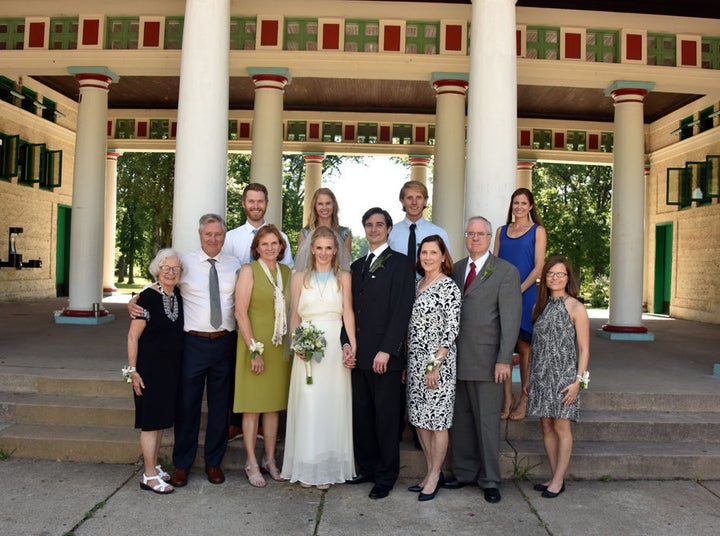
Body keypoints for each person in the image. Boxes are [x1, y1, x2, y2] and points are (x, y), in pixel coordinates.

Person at [129, 214, 241, 487]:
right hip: (193, 344)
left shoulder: (234, 265)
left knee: (218, 407)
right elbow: (162, 284)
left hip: (225, 342)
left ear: (224, 236)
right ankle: (182, 464)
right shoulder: (186, 263)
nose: (213, 239)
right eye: (208, 234)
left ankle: (214, 462)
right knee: (187, 405)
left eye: (218, 234)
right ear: (200, 235)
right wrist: (135, 298)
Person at [443, 216, 522, 504]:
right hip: (456, 359)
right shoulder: (457, 269)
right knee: (460, 420)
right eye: (470, 234)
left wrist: (504, 359)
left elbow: (510, 320)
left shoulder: (505, 271)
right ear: (465, 237)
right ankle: (463, 472)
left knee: (487, 422)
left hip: (489, 361)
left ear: (490, 237)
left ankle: (490, 479)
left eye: (481, 234)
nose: (475, 238)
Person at [344, 207, 415, 500]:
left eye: (379, 225)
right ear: (364, 229)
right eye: (369, 225)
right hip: (359, 356)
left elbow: (402, 310)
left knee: (386, 419)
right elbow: (347, 311)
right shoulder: (357, 266)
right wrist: (346, 345)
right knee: (362, 415)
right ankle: (368, 468)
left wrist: (387, 350)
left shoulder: (401, 264)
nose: (373, 229)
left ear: (388, 229)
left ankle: (386, 475)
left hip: (385, 357)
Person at [282, 226, 357, 489]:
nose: (324, 253)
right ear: (311, 249)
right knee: (309, 405)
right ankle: (306, 466)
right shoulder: (299, 277)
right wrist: (296, 344)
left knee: (331, 404)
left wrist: (352, 347)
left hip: (335, 345)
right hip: (307, 345)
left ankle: (327, 469)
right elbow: (294, 316)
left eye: (329, 248)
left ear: (336, 250)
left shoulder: (344, 277)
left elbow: (348, 312)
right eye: (319, 248)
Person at [222, 182, 293, 440]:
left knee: (266, 376)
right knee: (238, 370)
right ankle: (235, 422)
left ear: (266, 203)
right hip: (239, 313)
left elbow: (286, 277)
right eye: (250, 201)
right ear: (244, 204)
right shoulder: (231, 237)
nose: (255, 206)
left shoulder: (280, 238)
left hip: (269, 315)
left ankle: (265, 425)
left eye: (260, 201)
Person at [234, 225, 292, 488]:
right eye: (264, 244)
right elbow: (240, 313)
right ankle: (251, 462)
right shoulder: (249, 271)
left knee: (272, 407)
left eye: (275, 243)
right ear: (256, 247)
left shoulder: (287, 272)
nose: (270, 248)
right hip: (254, 347)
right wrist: (254, 349)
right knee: (253, 407)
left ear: (281, 247)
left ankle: (270, 460)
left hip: (279, 347)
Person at [527, 256, 590, 499]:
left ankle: (558, 479)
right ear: (545, 277)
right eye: (551, 273)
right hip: (542, 374)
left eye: (561, 274)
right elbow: (535, 346)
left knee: (561, 426)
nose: (555, 278)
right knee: (546, 425)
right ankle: (555, 477)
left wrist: (579, 382)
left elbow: (584, 349)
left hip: (565, 375)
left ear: (568, 278)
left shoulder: (576, 307)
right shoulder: (538, 307)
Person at [405, 236, 461, 502]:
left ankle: (436, 475)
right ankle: (429, 471)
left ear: (442, 256)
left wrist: (434, 366)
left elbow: (451, 330)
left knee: (437, 421)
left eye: (433, 252)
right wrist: (409, 364)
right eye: (424, 252)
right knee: (419, 420)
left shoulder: (448, 287)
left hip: (438, 364)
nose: (427, 257)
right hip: (415, 362)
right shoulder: (418, 284)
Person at [126, 248, 184, 495]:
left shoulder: (177, 294)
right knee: (150, 423)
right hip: (148, 370)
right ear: (157, 270)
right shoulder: (147, 298)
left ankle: (154, 466)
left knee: (160, 421)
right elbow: (132, 336)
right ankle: (148, 476)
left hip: (169, 370)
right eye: (165, 268)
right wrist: (132, 371)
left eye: (175, 269)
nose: (170, 273)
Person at [493, 188, 547, 421]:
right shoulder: (501, 231)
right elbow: (493, 263)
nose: (519, 207)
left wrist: (519, 289)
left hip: (525, 294)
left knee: (525, 348)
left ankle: (525, 398)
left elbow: (538, 266)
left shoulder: (538, 231)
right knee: (503, 346)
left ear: (531, 206)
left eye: (524, 203)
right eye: (516, 203)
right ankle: (507, 399)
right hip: (501, 294)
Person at [388, 180, 451, 266]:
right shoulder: (390, 233)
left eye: (419, 197)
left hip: (430, 280)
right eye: (409, 198)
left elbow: (446, 266)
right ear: (402, 201)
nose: (414, 202)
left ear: (425, 201)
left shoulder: (439, 233)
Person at [295, 187, 352, 271]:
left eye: (328, 203)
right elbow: (300, 267)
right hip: (309, 281)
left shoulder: (344, 234)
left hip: (337, 281)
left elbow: (345, 266)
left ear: (334, 205)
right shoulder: (305, 234)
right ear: (315, 206)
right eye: (320, 204)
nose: (324, 207)